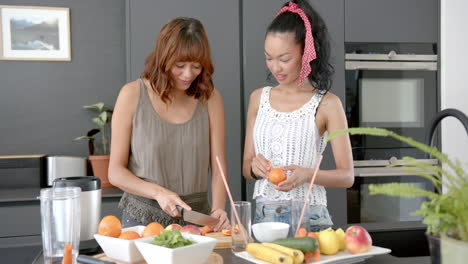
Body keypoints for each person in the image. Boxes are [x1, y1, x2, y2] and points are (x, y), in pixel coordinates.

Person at [242, 0, 354, 232]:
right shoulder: (258, 98)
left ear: (307, 53)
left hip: (310, 218)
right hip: (265, 219)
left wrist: (307, 175)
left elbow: (347, 176)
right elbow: (246, 167)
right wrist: (255, 167)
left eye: (284, 59)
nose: (275, 68)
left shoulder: (327, 104)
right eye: (268, 58)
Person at [109, 17, 230, 231]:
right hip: (143, 218)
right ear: (163, 58)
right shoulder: (131, 94)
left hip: (196, 218)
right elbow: (115, 171)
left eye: (196, 66)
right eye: (180, 65)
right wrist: (158, 192)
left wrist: (218, 209)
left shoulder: (210, 98)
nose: (188, 74)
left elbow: (219, 167)